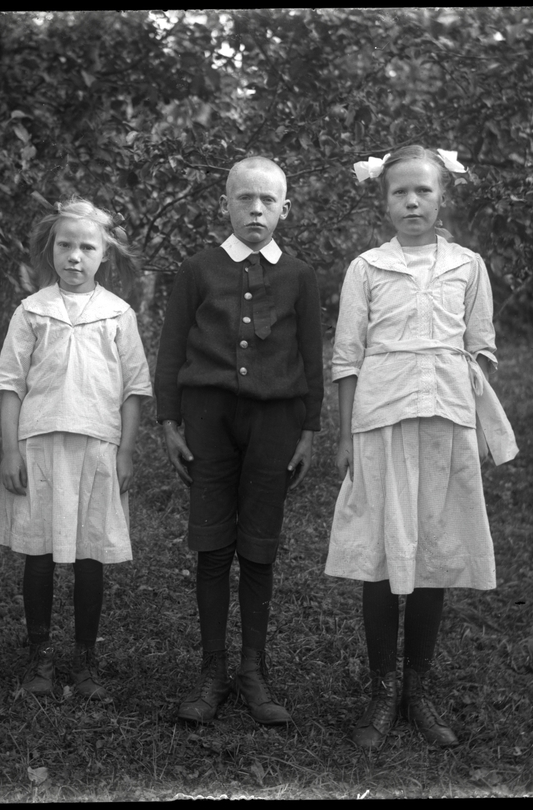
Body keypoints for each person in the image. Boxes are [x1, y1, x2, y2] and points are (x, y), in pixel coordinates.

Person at [327, 146, 518, 749]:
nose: (411, 202)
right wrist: (346, 434)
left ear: (443, 198)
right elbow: (347, 357)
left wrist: (473, 409)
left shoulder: (468, 266)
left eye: (424, 192)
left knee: (434, 548)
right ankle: (383, 690)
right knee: (384, 550)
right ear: (382, 201)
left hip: (445, 420)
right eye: (398, 193)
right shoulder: (366, 268)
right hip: (381, 419)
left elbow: (481, 346)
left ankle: (418, 690)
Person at [155, 156, 324, 726]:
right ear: (225, 204)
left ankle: (253, 670)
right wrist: (169, 423)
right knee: (211, 543)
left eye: (268, 201)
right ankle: (212, 670)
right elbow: (172, 349)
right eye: (245, 199)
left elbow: (312, 360)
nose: (256, 209)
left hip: (275, 424)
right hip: (207, 419)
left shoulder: (299, 275)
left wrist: (309, 429)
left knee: (258, 543)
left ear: (284, 209)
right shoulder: (199, 269)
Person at [0, 197, 152, 702]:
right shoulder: (32, 310)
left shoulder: (117, 314)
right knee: (38, 552)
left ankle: (85, 664)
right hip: (39, 446)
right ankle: (39, 661)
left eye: (86, 247)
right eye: (65, 245)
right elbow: (9, 383)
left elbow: (134, 388)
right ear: (49, 250)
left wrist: (124, 452)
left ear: (106, 255)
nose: (74, 256)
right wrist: (10, 451)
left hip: (97, 446)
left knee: (88, 557)